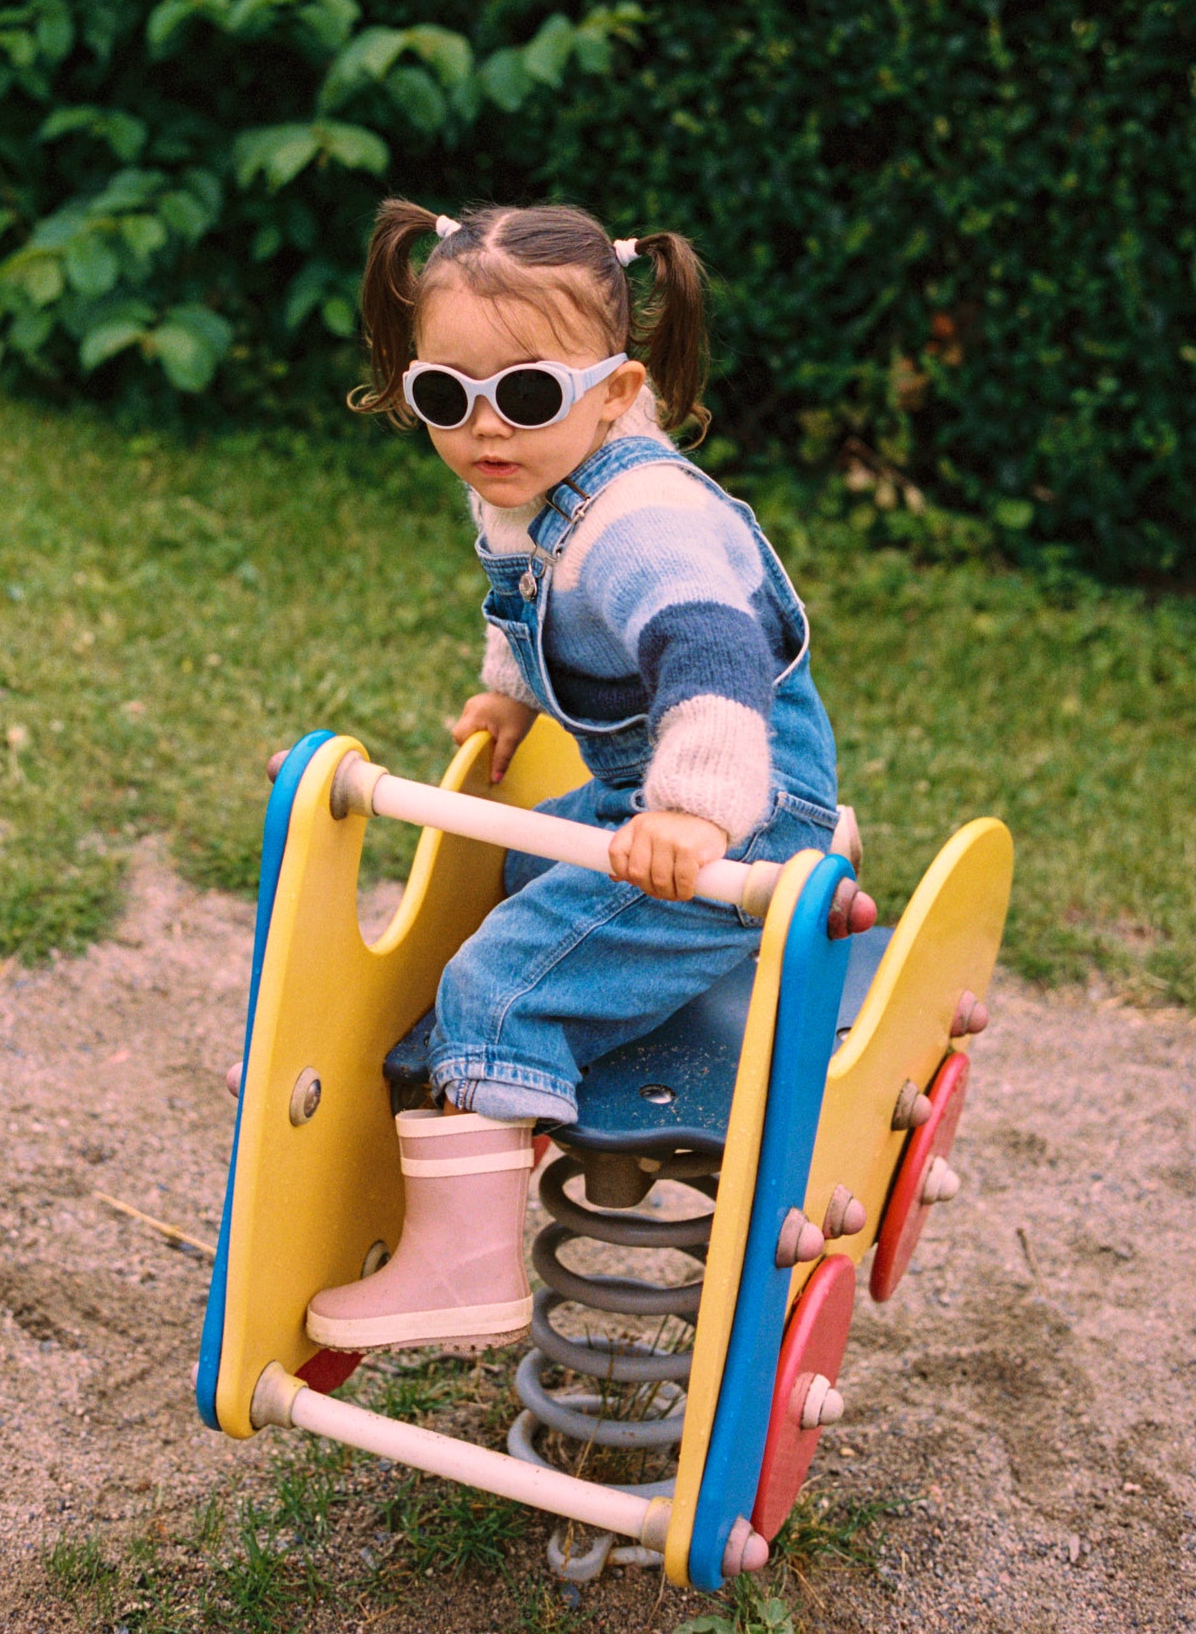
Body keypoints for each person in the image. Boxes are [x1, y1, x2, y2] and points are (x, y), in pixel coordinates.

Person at [293, 200, 874, 1355]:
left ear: (614, 392)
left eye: (525, 392)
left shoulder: (640, 522)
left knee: (500, 985)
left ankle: (465, 1265)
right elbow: (523, 584)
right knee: (519, 869)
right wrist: (508, 693)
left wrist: (694, 815)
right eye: (445, 394)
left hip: (734, 805)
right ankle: (461, 1105)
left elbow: (713, 653)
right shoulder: (532, 473)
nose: (483, 427)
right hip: (648, 788)